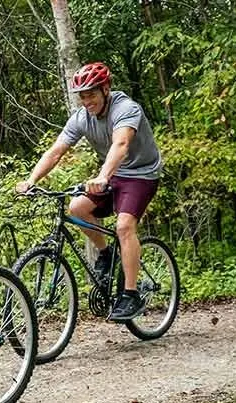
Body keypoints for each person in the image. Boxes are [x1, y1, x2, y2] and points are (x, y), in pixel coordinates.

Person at [15, 62, 162, 321]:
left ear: (106, 89)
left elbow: (121, 143)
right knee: (77, 208)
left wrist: (103, 176)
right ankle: (106, 254)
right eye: (82, 96)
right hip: (113, 174)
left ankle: (130, 294)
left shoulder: (126, 109)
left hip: (141, 174)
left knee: (124, 226)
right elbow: (56, 151)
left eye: (91, 94)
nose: (87, 101)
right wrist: (31, 180)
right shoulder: (82, 118)